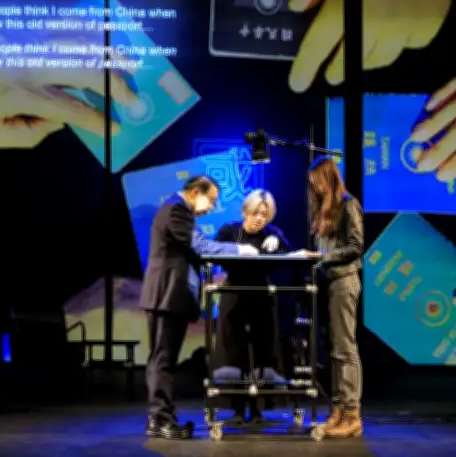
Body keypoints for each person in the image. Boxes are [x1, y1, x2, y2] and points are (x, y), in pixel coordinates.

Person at [139, 175, 259, 439]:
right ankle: (160, 419)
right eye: (211, 201)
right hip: (166, 294)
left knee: (163, 359)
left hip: (170, 295)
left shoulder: (177, 210)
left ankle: (160, 417)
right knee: (162, 360)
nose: (212, 207)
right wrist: (240, 250)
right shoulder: (177, 210)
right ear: (195, 192)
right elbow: (201, 247)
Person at [212, 190, 293, 424]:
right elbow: (213, 254)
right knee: (233, 351)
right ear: (245, 212)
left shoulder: (272, 233)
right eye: (256, 213)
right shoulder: (229, 231)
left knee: (262, 352)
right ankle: (237, 408)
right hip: (234, 295)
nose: (259, 219)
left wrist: (278, 243)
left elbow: (290, 254)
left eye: (264, 215)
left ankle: (258, 409)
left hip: (261, 297)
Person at [306, 157, 364, 438]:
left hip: (344, 281)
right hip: (329, 283)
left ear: (327, 178)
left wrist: (325, 258)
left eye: (317, 181)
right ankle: (338, 410)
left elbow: (356, 246)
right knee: (334, 350)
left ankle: (352, 414)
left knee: (345, 348)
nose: (315, 188)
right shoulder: (324, 210)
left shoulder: (348, 205)